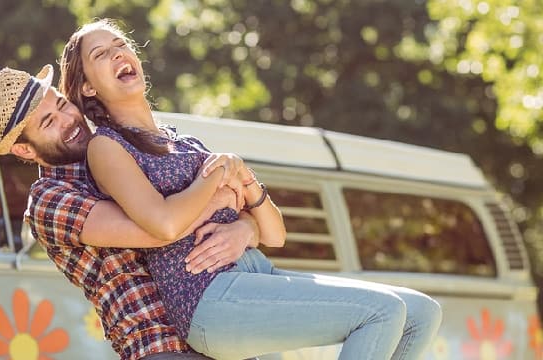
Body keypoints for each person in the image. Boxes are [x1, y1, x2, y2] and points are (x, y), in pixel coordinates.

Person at [57, 18, 443, 360]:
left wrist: (246, 215)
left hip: (258, 270)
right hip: (207, 295)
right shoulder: (107, 147)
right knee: (382, 311)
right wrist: (220, 178)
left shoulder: (186, 142)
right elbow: (164, 223)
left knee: (422, 313)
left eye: (121, 45)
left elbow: (274, 234)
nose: (118, 54)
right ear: (88, 88)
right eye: (101, 54)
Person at [0, 64, 263, 359]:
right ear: (25, 150)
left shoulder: (120, 144)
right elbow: (159, 230)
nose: (68, 120)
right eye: (49, 122)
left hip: (224, 331)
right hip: (162, 345)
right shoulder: (49, 200)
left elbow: (248, 214)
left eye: (62, 104)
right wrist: (217, 198)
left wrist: (244, 229)